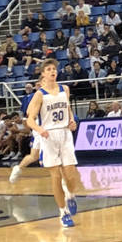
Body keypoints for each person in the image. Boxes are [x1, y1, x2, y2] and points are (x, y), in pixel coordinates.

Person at [24, 59, 84, 228]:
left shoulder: (65, 89)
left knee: (71, 175)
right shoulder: (39, 94)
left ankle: (70, 195)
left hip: (65, 134)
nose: (52, 71)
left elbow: (68, 109)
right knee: (56, 176)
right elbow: (30, 119)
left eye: (54, 69)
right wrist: (39, 129)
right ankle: (63, 212)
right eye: (48, 69)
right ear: (43, 73)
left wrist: (72, 121)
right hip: (49, 136)